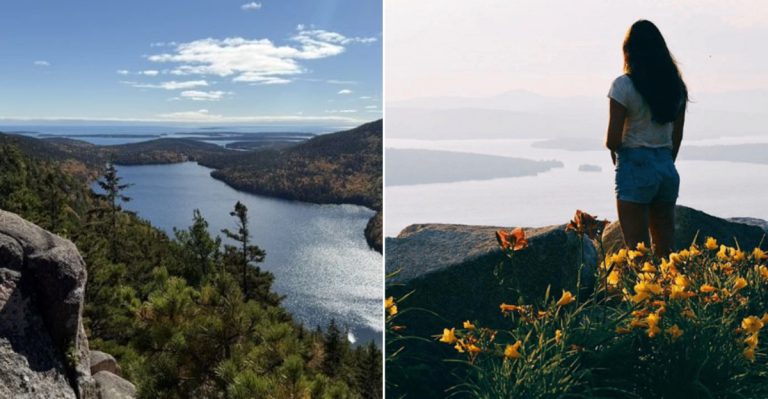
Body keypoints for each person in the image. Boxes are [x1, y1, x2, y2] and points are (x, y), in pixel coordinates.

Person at [605, 20, 688, 258]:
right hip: (666, 168)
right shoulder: (676, 87)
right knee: (666, 253)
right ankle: (669, 296)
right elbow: (676, 138)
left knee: (638, 254)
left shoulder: (623, 86)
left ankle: (644, 295)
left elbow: (613, 139)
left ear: (629, 50)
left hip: (635, 167)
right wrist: (662, 160)